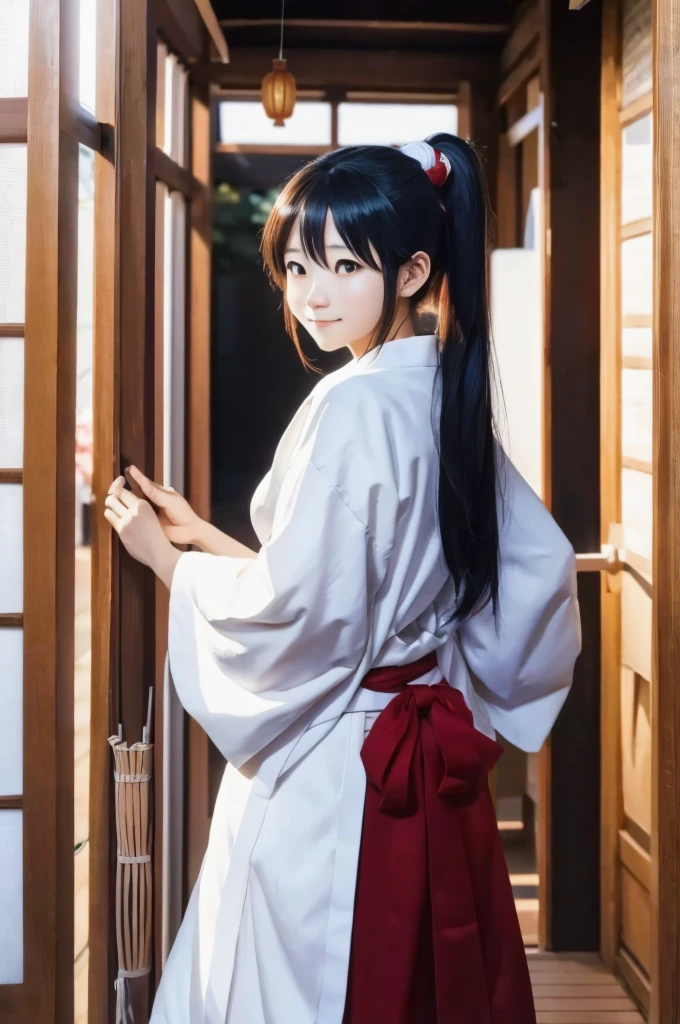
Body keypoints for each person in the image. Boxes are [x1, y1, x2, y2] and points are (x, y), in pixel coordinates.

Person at [104, 134, 582, 1024]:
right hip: (427, 752)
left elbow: (302, 617)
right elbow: (518, 575)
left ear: (409, 272)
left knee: (308, 983)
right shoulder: (442, 388)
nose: (311, 294)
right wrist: (208, 535)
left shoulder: (355, 404)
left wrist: (171, 564)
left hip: (344, 767)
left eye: (340, 266)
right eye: (294, 266)